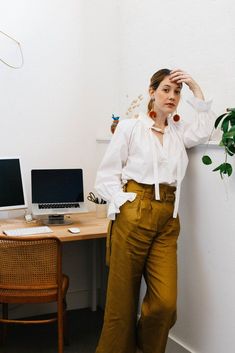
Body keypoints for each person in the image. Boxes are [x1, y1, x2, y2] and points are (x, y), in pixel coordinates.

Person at [94, 68, 214, 353]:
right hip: (134, 211)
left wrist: (196, 90)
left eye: (176, 92)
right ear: (151, 92)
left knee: (164, 304)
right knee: (121, 302)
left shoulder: (178, 130)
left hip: (168, 219)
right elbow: (106, 175)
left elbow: (204, 129)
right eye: (165, 90)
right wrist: (124, 202)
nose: (172, 96)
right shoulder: (130, 127)